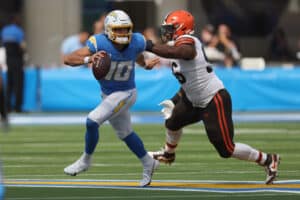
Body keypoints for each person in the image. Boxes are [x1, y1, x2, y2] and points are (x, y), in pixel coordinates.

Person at [145, 10, 280, 184]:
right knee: (172, 122)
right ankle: (168, 153)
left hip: (213, 99)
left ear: (181, 28)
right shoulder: (177, 47)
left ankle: (268, 160)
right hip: (194, 99)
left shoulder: (188, 43)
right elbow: (189, 83)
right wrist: (174, 100)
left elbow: (182, 52)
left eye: (171, 28)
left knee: (226, 149)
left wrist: (149, 46)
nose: (166, 31)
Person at [63, 10, 160, 187]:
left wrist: (145, 64)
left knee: (92, 121)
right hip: (109, 94)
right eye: (119, 29)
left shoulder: (136, 40)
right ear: (109, 29)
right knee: (125, 133)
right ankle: (148, 161)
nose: (123, 33)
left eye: (125, 29)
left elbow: (137, 53)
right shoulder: (99, 42)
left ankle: (86, 160)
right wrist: (89, 58)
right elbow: (68, 59)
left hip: (126, 92)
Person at [1, 14, 25, 113]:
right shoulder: (19, 31)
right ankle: (18, 107)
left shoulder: (4, 30)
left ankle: (7, 107)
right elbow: (22, 46)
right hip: (17, 60)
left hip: (8, 60)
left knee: (9, 84)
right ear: (16, 21)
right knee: (18, 84)